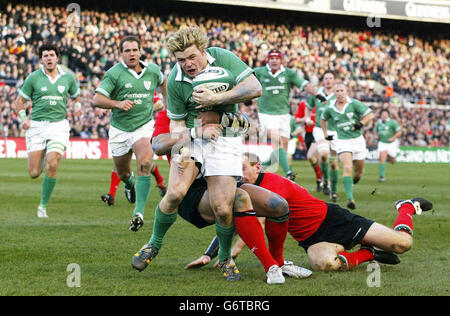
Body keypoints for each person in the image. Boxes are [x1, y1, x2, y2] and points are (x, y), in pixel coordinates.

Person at [132, 26, 262, 281]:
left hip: (225, 137)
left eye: (192, 57)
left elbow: (255, 87)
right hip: (193, 134)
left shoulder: (223, 58)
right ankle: (153, 245)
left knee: (223, 208)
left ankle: (224, 258)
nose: (188, 64)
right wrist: (190, 139)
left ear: (203, 50)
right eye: (181, 60)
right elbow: (177, 123)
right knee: (175, 192)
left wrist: (218, 98)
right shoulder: (175, 79)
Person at [186, 152, 433, 272]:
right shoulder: (243, 190)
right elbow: (234, 221)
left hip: (335, 220)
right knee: (325, 265)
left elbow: (257, 225)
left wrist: (229, 257)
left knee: (402, 244)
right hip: (310, 238)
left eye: (243, 168)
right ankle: (369, 254)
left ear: (258, 166)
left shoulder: (270, 184)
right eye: (235, 170)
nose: (239, 175)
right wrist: (209, 255)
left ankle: (407, 207)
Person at [132, 131, 311, 284]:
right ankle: (268, 266)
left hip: (224, 185)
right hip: (194, 195)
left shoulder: (227, 114)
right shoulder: (182, 108)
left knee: (277, 206)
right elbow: (157, 144)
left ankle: (278, 263)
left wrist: (241, 123)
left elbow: (251, 94)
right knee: (233, 200)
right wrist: (195, 132)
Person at [93, 35, 166, 230]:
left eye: (134, 49)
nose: (131, 53)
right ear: (121, 54)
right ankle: (129, 183)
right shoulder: (114, 74)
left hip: (143, 126)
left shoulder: (152, 71)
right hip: (119, 130)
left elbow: (164, 82)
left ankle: (138, 212)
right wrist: (117, 103)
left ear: (140, 51)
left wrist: (169, 108)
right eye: (127, 50)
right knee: (124, 173)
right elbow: (97, 99)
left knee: (145, 162)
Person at [14, 43, 82, 218]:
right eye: (46, 55)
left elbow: (76, 97)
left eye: (52, 55)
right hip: (36, 126)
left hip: (58, 126)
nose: (49, 58)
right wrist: (24, 118)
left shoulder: (68, 78)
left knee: (53, 162)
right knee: (34, 173)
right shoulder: (33, 78)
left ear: (57, 58)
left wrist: (78, 106)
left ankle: (42, 206)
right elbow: (18, 102)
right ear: (41, 59)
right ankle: (44, 152)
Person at [254, 49, 318, 181]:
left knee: (282, 148)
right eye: (272, 58)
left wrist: (314, 91)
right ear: (268, 60)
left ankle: (262, 166)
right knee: (277, 141)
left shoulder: (289, 73)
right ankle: (289, 173)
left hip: (283, 115)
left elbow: (303, 83)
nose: (274, 60)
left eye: (277, 58)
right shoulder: (259, 72)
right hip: (266, 114)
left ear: (280, 60)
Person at [100, 92, 168, 206]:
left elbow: (160, 104)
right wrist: (110, 106)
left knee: (145, 163)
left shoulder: (145, 86)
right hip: (123, 130)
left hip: (141, 130)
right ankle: (112, 195)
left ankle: (159, 181)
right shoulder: (121, 86)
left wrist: (142, 110)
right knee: (120, 166)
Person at [321, 83, 374, 210]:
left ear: (346, 91)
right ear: (334, 94)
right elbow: (323, 119)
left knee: (358, 173)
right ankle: (350, 199)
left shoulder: (354, 103)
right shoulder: (330, 108)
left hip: (357, 140)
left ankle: (353, 181)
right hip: (343, 141)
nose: (340, 93)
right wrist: (325, 134)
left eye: (342, 90)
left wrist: (361, 123)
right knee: (347, 168)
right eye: (337, 91)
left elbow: (370, 114)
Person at [304, 71, 339, 202]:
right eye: (326, 78)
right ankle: (324, 180)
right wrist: (307, 118)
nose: (328, 80)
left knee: (334, 163)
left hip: (335, 131)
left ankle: (330, 187)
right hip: (320, 129)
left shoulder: (338, 94)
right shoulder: (316, 93)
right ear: (323, 80)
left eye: (331, 78)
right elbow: (308, 107)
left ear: (334, 80)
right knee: (323, 155)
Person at [294, 100, 322, 192]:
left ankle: (322, 181)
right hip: (309, 134)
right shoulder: (303, 103)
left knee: (319, 157)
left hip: (320, 133)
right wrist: (305, 120)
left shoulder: (324, 103)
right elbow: (297, 119)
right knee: (311, 158)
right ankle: (320, 178)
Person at [375, 108, 402, 182]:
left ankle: (391, 156)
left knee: (392, 161)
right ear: (380, 115)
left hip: (391, 144)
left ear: (388, 115)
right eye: (383, 114)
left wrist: (393, 138)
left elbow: (399, 132)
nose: (384, 116)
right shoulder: (378, 123)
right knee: (382, 158)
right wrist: (376, 136)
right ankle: (382, 176)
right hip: (382, 143)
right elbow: (376, 131)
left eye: (385, 114)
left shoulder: (392, 123)